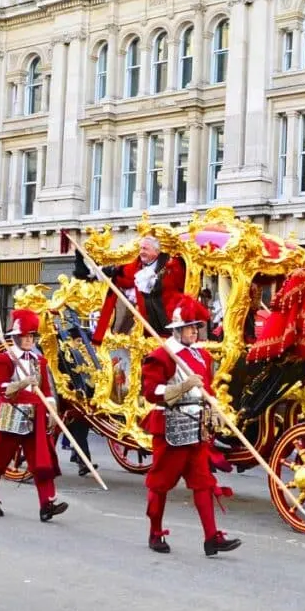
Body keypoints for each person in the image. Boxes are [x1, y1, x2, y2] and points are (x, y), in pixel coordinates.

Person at [140, 295, 241, 556]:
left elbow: (206, 390)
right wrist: (183, 386)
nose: (195, 331)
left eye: (197, 327)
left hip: (196, 425)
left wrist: (216, 409)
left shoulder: (201, 355)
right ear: (177, 329)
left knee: (203, 482)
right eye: (190, 327)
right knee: (160, 483)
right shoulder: (161, 356)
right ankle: (155, 532)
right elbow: (151, 392)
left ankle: (211, 537)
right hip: (170, 426)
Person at [0, 309, 67, 521]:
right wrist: (23, 382)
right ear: (15, 337)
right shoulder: (5, 359)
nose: (29, 340)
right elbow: (1, 389)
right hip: (12, 415)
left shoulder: (39, 361)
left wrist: (51, 408)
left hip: (35, 417)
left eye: (32, 336)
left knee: (41, 462)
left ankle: (46, 505)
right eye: (25, 336)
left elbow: (47, 390)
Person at [88, 235, 187, 343]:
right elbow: (122, 272)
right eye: (140, 248)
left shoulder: (171, 264)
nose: (141, 252)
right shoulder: (137, 265)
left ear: (156, 251)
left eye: (145, 248)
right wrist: (103, 270)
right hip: (146, 324)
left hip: (168, 321)